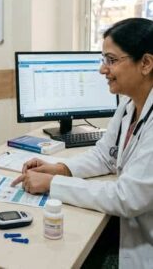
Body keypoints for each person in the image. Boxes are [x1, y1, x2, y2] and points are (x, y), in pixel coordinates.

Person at [12, 18, 153, 269]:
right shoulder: (128, 104)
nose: (102, 69)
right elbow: (105, 156)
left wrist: (53, 184)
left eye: (111, 60)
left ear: (145, 63)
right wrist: (60, 169)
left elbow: (127, 197)